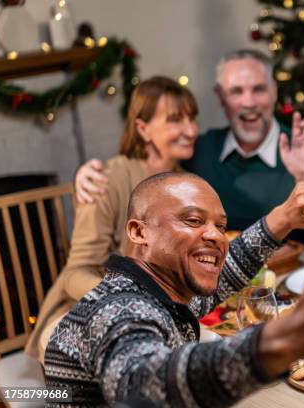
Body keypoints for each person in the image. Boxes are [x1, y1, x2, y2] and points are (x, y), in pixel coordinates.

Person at [43, 172, 304, 407]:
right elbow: (142, 386)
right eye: (193, 220)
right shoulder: (121, 309)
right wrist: (279, 341)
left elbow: (224, 275)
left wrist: (281, 221)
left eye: (220, 225)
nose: (215, 235)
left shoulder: (161, 289)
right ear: (139, 233)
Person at [73, 49, 304, 247]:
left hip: (296, 283)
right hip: (221, 293)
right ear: (220, 97)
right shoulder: (197, 152)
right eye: (236, 91)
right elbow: (147, 170)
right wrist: (87, 175)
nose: (248, 102)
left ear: (274, 92)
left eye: (259, 89)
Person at [26, 76, 200, 364]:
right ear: (143, 129)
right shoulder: (106, 180)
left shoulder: (185, 184)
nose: (191, 130)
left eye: (192, 118)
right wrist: (130, 299)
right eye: (175, 120)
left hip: (154, 312)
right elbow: (74, 275)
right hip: (81, 312)